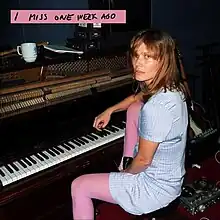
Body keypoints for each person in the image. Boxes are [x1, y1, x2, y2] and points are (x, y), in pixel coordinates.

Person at [71, 28, 188, 219]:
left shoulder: (157, 108)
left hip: (154, 189)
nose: (138, 63)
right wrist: (110, 110)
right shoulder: (172, 88)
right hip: (172, 179)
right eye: (136, 55)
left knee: (79, 186)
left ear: (163, 61)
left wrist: (127, 172)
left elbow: (143, 161)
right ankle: (125, 162)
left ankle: (124, 170)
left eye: (148, 57)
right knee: (134, 108)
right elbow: (137, 97)